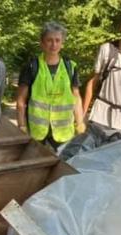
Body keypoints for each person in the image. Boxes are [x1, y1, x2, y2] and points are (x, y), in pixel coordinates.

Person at [16, 21, 86, 150]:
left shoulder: (70, 67)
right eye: (49, 40)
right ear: (42, 43)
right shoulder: (32, 66)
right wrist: (21, 126)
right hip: (37, 131)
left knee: (64, 166)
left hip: (63, 132)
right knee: (37, 166)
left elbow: (76, 97)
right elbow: (21, 100)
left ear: (62, 43)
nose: (54, 44)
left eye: (57, 40)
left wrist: (80, 123)